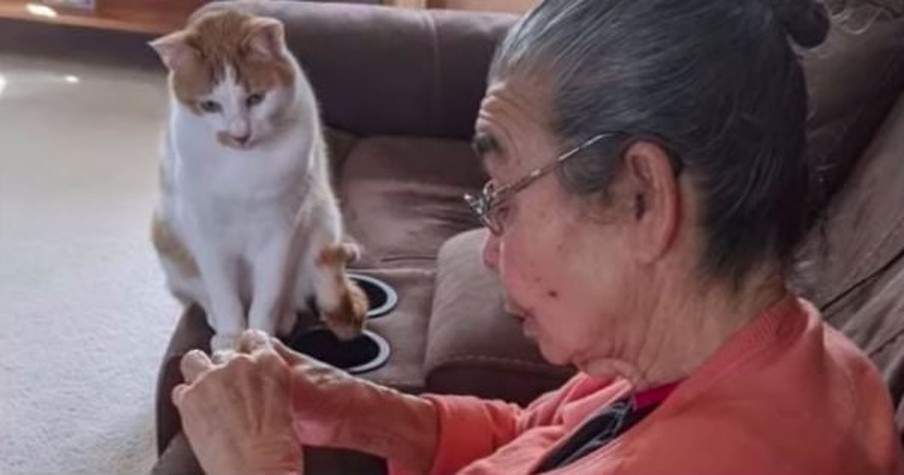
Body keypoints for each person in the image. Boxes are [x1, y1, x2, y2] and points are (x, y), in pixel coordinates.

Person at [170, 0, 904, 474]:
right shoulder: (762, 352)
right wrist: (357, 407)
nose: (490, 247)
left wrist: (255, 462)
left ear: (641, 197)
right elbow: (537, 432)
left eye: (505, 196)